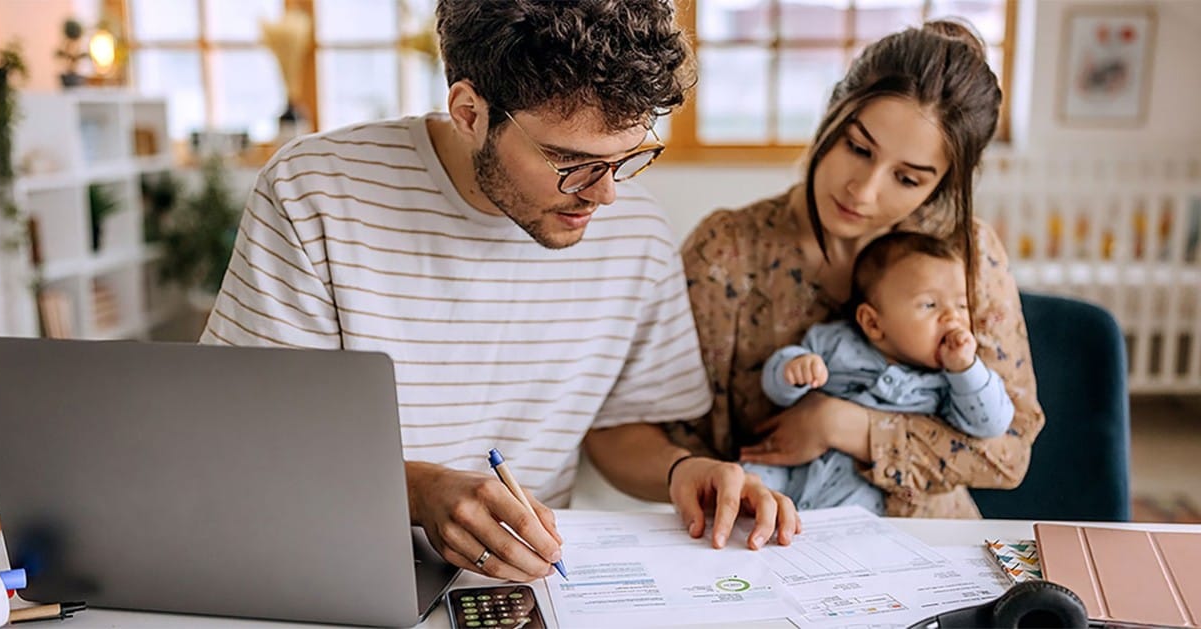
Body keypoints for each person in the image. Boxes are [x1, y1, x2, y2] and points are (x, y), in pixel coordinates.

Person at [200, 0, 800, 584]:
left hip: (526, 586)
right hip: (329, 563)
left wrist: (681, 470)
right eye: (571, 161)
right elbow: (250, 436)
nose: (604, 195)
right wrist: (419, 491)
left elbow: (620, 427)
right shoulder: (317, 191)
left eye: (627, 158)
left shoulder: (636, 229)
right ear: (469, 112)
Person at [664, 19, 1045, 518]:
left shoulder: (968, 254)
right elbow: (671, 438)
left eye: (907, 178)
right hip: (765, 541)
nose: (863, 191)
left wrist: (842, 425)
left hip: (928, 551)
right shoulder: (726, 252)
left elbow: (1007, 451)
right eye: (858, 149)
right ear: (831, 112)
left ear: (943, 183)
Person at [751, 231, 1015, 513]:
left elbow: (991, 424)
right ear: (873, 323)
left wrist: (965, 368)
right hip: (793, 468)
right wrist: (792, 370)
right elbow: (777, 392)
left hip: (859, 488)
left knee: (855, 523)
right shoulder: (836, 342)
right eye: (930, 304)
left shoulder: (949, 382)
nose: (953, 317)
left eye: (962, 305)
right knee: (749, 481)